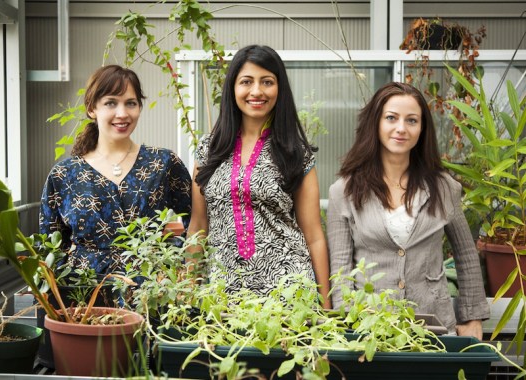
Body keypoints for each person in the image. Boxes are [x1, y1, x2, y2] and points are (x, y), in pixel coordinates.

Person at [327, 82, 489, 338]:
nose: (401, 128)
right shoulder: (343, 191)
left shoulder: (444, 187)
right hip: (369, 332)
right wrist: (348, 327)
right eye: (391, 118)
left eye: (412, 120)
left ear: (422, 128)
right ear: (376, 123)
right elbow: (340, 270)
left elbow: (466, 255)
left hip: (434, 329)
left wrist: (472, 317)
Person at [188, 45, 331, 308]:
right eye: (246, 81)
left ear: (280, 89)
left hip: (289, 297)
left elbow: (314, 234)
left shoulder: (295, 153)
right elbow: (198, 226)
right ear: (233, 88)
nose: (257, 91)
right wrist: (187, 297)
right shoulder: (209, 150)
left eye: (267, 82)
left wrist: (327, 307)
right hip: (222, 297)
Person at [39, 65, 192, 275]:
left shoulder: (163, 163)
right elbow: (50, 249)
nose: (122, 114)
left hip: (152, 294)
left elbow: (196, 222)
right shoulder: (65, 174)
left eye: (131, 103)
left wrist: (180, 266)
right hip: (86, 293)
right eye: (110, 103)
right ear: (92, 108)